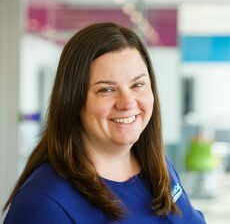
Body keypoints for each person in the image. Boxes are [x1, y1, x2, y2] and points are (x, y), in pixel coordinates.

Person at [3, 22, 206, 224]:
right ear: (73, 100)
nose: (127, 103)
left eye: (138, 84)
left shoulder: (157, 166)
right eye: (106, 90)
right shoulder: (44, 203)